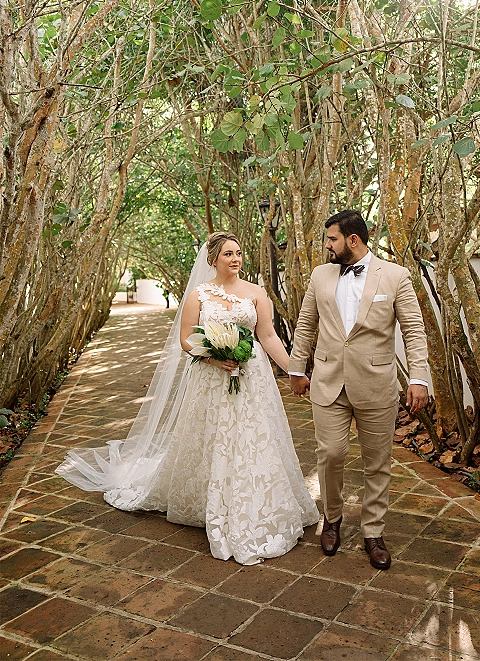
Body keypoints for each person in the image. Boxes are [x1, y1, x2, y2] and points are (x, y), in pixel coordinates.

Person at [56, 232, 319, 565]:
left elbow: (267, 335)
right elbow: (186, 339)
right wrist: (213, 357)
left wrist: (294, 371)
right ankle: (209, 500)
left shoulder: (256, 293)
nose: (236, 259)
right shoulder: (199, 295)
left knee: (255, 439)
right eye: (228, 254)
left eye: (238, 253)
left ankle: (255, 505)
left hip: (253, 379)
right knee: (213, 438)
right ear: (213, 259)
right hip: (211, 380)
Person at [287, 210, 429, 569]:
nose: (327, 246)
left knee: (377, 462)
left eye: (331, 239)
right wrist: (295, 367)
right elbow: (306, 324)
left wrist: (418, 377)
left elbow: (413, 329)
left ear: (353, 240)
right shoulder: (320, 275)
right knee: (331, 453)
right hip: (328, 381)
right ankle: (331, 518)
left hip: (376, 384)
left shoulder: (396, 276)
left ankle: (373, 532)